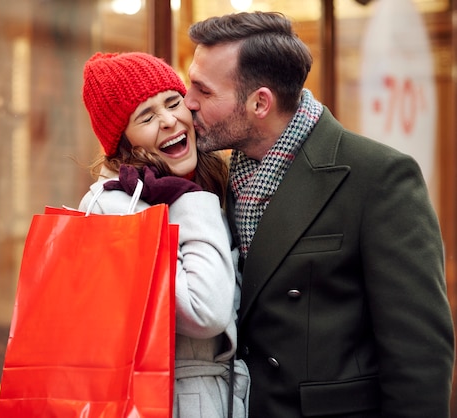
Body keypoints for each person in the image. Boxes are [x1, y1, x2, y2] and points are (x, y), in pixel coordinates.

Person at [183, 10, 455, 418]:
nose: (188, 103)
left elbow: (420, 357)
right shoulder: (216, 179)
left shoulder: (378, 176)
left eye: (203, 91)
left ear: (260, 103)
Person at [79, 51, 250, 418]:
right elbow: (206, 311)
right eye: (146, 116)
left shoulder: (207, 181)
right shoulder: (116, 208)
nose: (170, 120)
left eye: (173, 103)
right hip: (164, 403)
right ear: (122, 142)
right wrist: (192, 201)